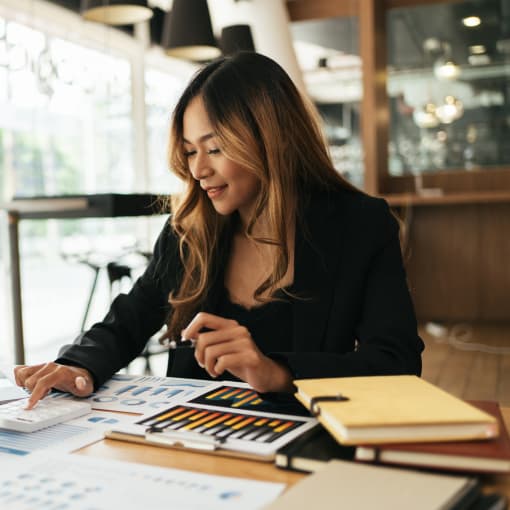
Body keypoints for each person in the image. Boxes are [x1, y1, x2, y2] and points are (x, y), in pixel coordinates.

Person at [15, 52, 424, 409]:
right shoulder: (189, 229)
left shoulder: (360, 224)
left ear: (269, 139)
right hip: (186, 443)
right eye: (190, 151)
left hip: (303, 443)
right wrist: (77, 365)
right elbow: (130, 319)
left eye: (214, 148)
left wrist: (276, 372)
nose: (198, 169)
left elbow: (396, 362)